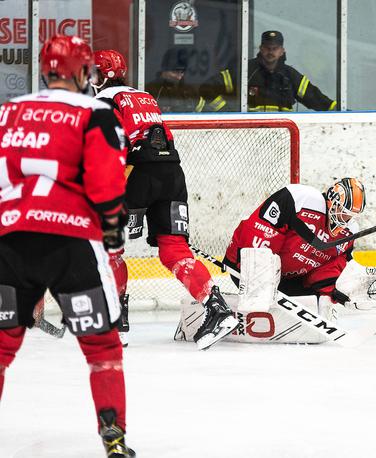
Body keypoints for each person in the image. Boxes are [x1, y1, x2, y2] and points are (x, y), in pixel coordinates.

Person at [0, 35, 134, 457]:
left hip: (10, 239)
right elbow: (105, 183)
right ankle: (113, 436)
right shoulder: (95, 112)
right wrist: (112, 229)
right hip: (72, 242)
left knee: (1, 345)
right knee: (102, 345)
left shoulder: (9, 111)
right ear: (81, 72)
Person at [92, 49, 239, 350]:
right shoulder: (144, 96)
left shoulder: (103, 101)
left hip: (136, 176)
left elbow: (114, 144)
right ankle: (217, 309)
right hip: (172, 174)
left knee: (110, 247)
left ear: (104, 74)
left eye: (93, 72)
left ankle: (117, 323)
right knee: (173, 249)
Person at [174, 178, 376, 344]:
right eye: (342, 212)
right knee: (258, 290)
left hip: (290, 281)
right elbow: (260, 229)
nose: (345, 219)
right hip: (248, 265)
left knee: (339, 280)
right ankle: (222, 308)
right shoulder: (299, 198)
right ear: (331, 200)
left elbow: (331, 265)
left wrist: (331, 291)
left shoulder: (349, 232)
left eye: (350, 215)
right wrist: (259, 277)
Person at [247, 30, 337, 112]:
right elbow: (232, 93)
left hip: (283, 129)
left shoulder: (290, 75)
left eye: (275, 48)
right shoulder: (246, 70)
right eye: (267, 48)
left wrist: (337, 109)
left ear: (282, 51)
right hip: (250, 129)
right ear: (261, 49)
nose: (270, 52)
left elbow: (313, 96)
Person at [145, 47, 201, 113]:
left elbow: (202, 113)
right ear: (164, 70)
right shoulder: (151, 90)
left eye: (182, 72)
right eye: (175, 72)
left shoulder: (189, 90)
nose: (179, 77)